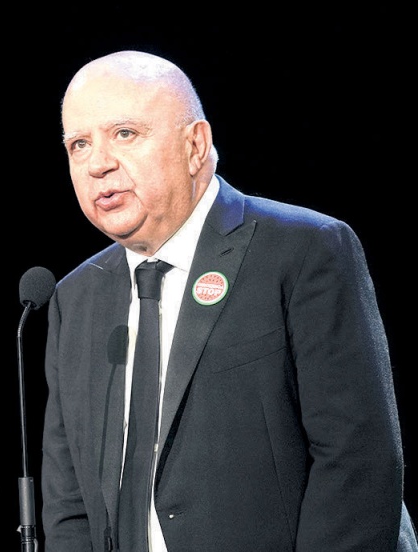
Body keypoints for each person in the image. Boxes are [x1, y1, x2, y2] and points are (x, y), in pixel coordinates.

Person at [40, 50, 415, 551]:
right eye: (79, 144)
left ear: (195, 145)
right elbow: (69, 502)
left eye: (124, 134)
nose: (97, 164)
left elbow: (357, 461)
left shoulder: (304, 250)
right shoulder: (73, 299)